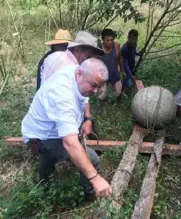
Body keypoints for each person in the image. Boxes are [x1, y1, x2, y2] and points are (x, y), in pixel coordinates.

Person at [21, 58, 112, 200]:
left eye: (99, 86)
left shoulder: (75, 71)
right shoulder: (62, 95)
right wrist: (95, 178)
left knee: (48, 158)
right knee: (92, 159)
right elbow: (70, 144)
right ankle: (90, 195)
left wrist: (87, 119)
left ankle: (44, 181)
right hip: (42, 136)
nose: (96, 91)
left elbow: (84, 97)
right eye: (93, 85)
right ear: (80, 73)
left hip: (44, 129)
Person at [98, 29, 126, 100]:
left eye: (112, 40)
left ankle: (116, 100)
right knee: (102, 96)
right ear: (103, 39)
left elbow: (120, 59)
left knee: (118, 93)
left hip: (115, 75)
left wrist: (122, 71)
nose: (110, 42)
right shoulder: (98, 48)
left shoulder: (116, 46)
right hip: (103, 77)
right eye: (107, 40)